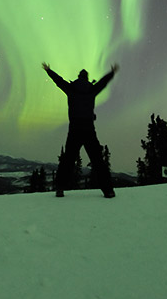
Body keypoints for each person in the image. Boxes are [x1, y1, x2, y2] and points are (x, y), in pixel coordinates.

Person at [42, 61, 119, 198]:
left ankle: (60, 188)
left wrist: (49, 70)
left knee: (68, 160)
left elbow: (59, 81)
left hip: (74, 128)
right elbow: (102, 83)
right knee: (97, 160)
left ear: (78, 77)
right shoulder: (92, 90)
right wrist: (111, 73)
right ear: (87, 78)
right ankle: (108, 191)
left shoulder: (71, 89)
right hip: (89, 128)